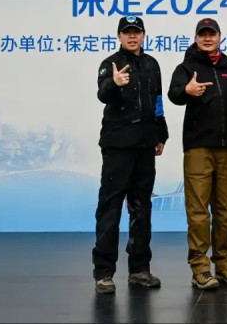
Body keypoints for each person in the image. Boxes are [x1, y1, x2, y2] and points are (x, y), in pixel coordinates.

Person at [93, 15, 168, 294]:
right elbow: (102, 94)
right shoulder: (109, 64)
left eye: (136, 32)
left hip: (145, 146)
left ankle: (139, 270)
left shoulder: (152, 64)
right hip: (117, 147)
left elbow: (158, 100)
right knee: (110, 208)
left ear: (144, 35)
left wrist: (161, 133)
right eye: (127, 32)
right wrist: (114, 82)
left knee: (141, 208)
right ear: (119, 36)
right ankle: (103, 273)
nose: (132, 36)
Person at [167, 18, 227, 290]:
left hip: (226, 148)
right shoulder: (186, 67)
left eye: (212, 34)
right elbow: (173, 93)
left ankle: (224, 265)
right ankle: (200, 268)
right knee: (199, 212)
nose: (208, 38)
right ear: (197, 38)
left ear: (220, 37)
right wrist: (187, 90)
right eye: (203, 35)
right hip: (198, 147)